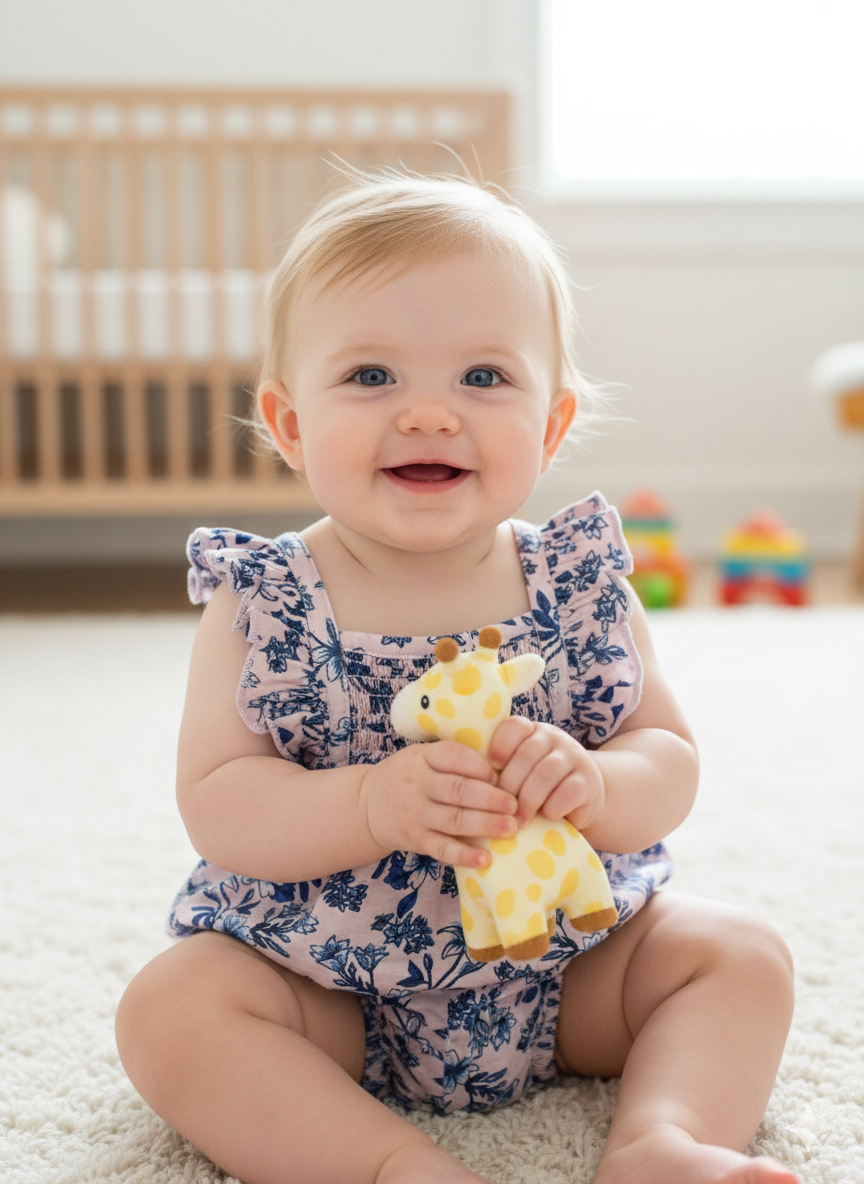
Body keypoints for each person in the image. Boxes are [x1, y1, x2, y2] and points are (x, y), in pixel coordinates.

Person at [115, 171, 798, 1184]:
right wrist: (369, 799)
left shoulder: (578, 579)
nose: (431, 414)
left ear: (553, 424)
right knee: (170, 1010)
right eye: (372, 376)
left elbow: (671, 756)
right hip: (328, 988)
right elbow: (219, 803)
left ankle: (661, 1140)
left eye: (483, 377)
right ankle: (394, 1164)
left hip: (572, 966)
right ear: (291, 423)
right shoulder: (264, 601)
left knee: (742, 953)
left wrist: (598, 781)